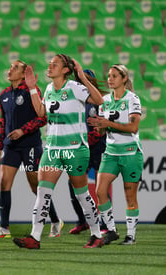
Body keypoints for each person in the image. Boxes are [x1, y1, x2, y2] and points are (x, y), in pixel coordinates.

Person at [12, 54, 105, 249]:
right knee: (42, 192)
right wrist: (31, 88)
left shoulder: (74, 87)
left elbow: (98, 100)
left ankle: (97, 234)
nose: (50, 65)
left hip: (75, 149)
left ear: (65, 70)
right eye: (50, 63)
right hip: (53, 149)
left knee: (81, 195)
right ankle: (34, 238)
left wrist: (82, 75)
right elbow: (40, 112)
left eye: (55, 64)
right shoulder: (48, 88)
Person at [0, 60, 63, 239]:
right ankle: (4, 228)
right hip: (10, 147)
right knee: (4, 183)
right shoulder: (4, 95)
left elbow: (42, 118)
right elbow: (2, 122)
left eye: (15, 68)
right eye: (10, 66)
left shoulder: (31, 91)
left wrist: (23, 131)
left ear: (23, 74)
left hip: (30, 146)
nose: (10, 69)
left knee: (36, 186)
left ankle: (55, 220)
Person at [87, 64, 143, 245]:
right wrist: (99, 127)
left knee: (130, 197)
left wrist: (107, 123)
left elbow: (133, 127)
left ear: (124, 79)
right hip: (110, 152)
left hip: (130, 153)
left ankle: (131, 235)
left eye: (114, 76)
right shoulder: (104, 101)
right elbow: (104, 130)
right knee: (100, 191)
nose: (110, 79)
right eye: (109, 76)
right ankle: (111, 230)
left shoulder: (132, 99)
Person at [68, 69, 108, 235]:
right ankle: (82, 220)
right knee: (73, 185)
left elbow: (104, 126)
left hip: (98, 147)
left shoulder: (100, 100)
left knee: (101, 187)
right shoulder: (73, 99)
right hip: (79, 148)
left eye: (85, 79)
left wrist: (89, 137)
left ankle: (105, 223)